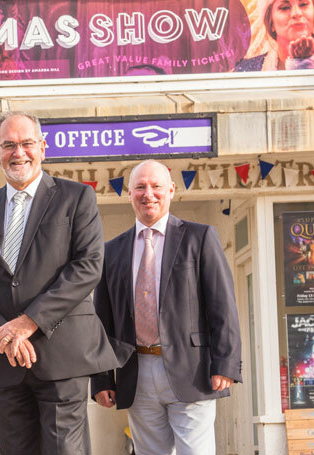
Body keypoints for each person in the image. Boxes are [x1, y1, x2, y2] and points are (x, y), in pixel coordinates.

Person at [0, 111, 131, 455]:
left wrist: (29, 322)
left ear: (43, 148)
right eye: (9, 145)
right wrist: (3, 334)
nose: (18, 153)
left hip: (63, 355)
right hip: (4, 360)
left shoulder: (76, 198)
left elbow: (88, 266)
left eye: (26, 143)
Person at [91, 160, 242, 455]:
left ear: (171, 190)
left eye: (156, 186)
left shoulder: (200, 238)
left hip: (193, 370)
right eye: (140, 187)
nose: (149, 194)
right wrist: (101, 378)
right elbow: (102, 321)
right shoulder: (111, 251)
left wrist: (225, 363)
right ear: (129, 193)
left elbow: (222, 305)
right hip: (136, 373)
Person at [235, 0, 314, 71]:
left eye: (303, 4)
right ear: (271, 22)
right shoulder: (247, 70)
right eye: (284, 8)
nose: (297, 13)